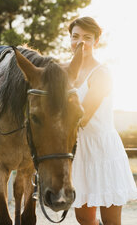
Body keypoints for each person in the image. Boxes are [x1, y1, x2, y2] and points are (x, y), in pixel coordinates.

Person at [69, 17, 137, 225]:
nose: (80, 42)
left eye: (87, 38)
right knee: (83, 219)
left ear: (96, 41)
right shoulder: (66, 72)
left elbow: (84, 116)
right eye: (75, 37)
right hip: (79, 153)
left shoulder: (103, 73)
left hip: (103, 152)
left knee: (111, 221)